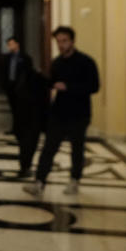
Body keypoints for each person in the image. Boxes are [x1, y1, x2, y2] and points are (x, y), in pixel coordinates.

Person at [23, 26, 99, 197]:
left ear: (72, 41)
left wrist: (69, 87)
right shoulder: (57, 63)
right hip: (59, 112)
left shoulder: (86, 62)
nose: (61, 45)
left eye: (64, 41)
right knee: (49, 147)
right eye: (58, 41)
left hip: (80, 113)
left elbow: (94, 86)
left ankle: (74, 181)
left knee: (77, 149)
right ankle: (39, 182)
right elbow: (52, 83)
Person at [3, 36, 32, 135]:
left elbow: (28, 73)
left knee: (21, 109)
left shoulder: (25, 58)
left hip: (21, 87)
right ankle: (14, 129)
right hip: (10, 86)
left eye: (11, 44)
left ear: (17, 44)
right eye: (8, 44)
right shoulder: (7, 58)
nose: (9, 46)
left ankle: (21, 128)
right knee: (13, 109)